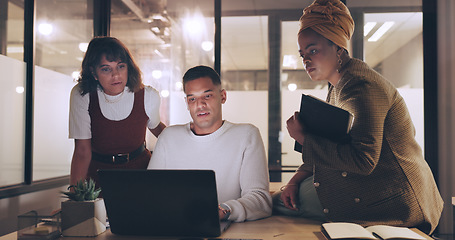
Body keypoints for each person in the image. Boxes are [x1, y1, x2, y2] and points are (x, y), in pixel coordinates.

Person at [272, 0, 443, 235]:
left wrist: (303, 138)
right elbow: (332, 144)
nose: (306, 60)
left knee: (270, 204)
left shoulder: (361, 86)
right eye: (303, 54)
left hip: (395, 199)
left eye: (313, 50)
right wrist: (294, 180)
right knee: (276, 198)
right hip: (374, 188)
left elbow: (363, 160)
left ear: (339, 48)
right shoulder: (338, 85)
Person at [148, 65, 272, 222]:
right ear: (186, 103)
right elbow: (151, 192)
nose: (200, 105)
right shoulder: (169, 136)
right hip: (174, 224)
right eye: (192, 99)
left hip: (226, 227)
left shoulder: (246, 135)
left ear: (223, 96)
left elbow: (261, 200)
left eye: (207, 96)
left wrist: (224, 210)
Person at [69, 36, 166, 187]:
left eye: (121, 66)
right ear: (94, 73)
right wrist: (75, 197)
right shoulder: (83, 94)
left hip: (140, 174)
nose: (115, 75)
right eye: (106, 69)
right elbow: (82, 151)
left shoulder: (148, 95)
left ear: (129, 67)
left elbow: (159, 130)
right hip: (98, 177)